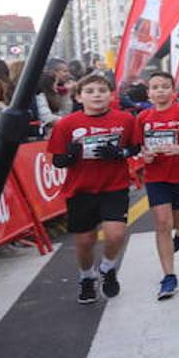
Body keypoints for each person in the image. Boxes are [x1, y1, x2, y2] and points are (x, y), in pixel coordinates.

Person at [48, 73, 141, 304]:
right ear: (79, 97)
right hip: (81, 190)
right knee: (85, 241)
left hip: (114, 186)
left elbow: (135, 147)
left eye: (102, 90)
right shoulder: (67, 124)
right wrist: (70, 155)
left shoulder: (125, 119)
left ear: (111, 95)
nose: (96, 95)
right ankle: (86, 277)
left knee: (116, 233)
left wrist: (120, 153)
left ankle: (108, 267)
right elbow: (57, 160)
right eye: (90, 91)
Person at [138, 71, 179, 300]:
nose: (160, 91)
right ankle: (169, 276)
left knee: (176, 220)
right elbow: (139, 148)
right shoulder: (143, 117)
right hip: (156, 176)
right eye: (155, 87)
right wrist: (145, 157)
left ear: (174, 91)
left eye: (165, 86)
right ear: (149, 93)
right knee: (162, 222)